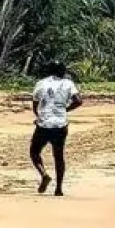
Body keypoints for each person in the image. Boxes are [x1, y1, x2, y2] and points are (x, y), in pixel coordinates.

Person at [31, 61, 81, 195]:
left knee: (34, 152)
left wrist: (39, 116)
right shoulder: (68, 84)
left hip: (44, 124)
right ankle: (58, 189)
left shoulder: (41, 83)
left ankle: (44, 174)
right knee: (59, 156)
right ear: (63, 72)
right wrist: (65, 109)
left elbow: (35, 104)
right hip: (60, 124)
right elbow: (78, 101)